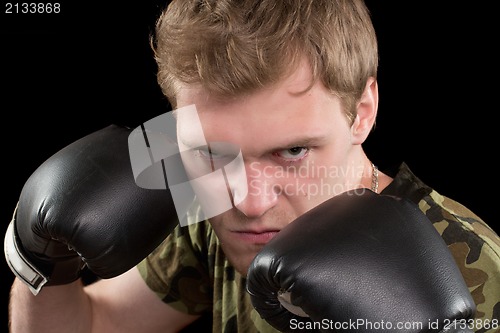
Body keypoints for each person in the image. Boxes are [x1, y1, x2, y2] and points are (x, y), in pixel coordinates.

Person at [5, 0, 499, 332]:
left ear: (362, 112)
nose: (249, 201)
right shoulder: (205, 200)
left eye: (293, 151)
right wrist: (43, 262)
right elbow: (93, 324)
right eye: (211, 153)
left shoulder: (473, 271)